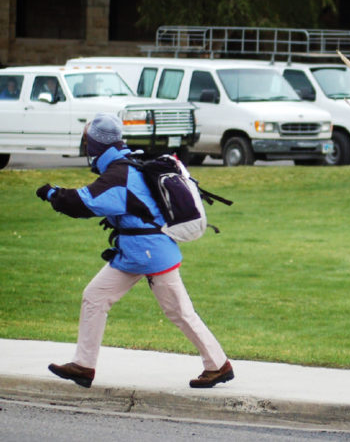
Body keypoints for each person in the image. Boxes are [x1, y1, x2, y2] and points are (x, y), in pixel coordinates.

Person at [36, 113, 234, 389]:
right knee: (95, 297)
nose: (85, 148)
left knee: (179, 312)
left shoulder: (119, 174)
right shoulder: (125, 165)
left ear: (95, 146)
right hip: (136, 253)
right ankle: (83, 365)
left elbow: (84, 203)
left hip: (149, 253)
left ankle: (218, 365)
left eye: (86, 142)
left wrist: (51, 194)